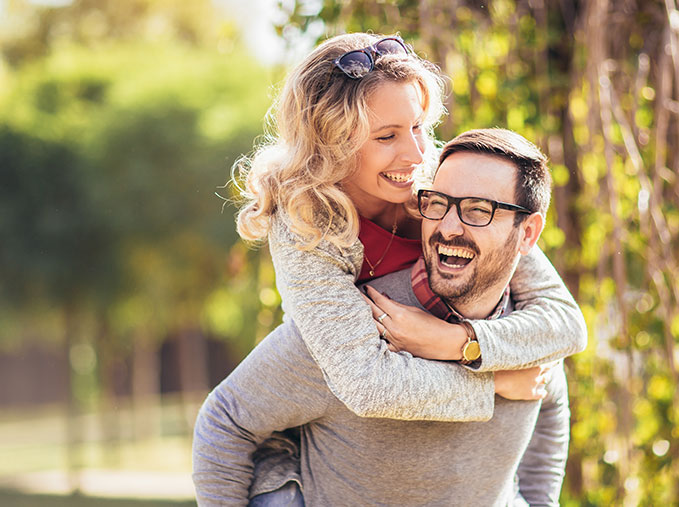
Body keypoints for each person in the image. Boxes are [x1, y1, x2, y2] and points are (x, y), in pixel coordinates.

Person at [194, 128, 571, 505]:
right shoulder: (352, 330)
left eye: (478, 211)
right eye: (438, 203)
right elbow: (224, 423)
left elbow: (550, 404)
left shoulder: (530, 334)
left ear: (528, 234)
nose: (449, 228)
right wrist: (490, 384)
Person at [234, 31, 585, 419]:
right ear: (330, 144)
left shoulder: (442, 178)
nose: (417, 154)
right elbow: (368, 385)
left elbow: (565, 324)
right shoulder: (304, 224)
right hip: (325, 433)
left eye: (417, 127)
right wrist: (495, 384)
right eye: (387, 136)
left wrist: (459, 343)